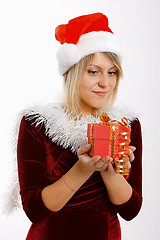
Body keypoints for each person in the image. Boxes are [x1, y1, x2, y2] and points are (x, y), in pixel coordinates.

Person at [16, 12, 142, 240]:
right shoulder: (37, 123)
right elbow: (33, 210)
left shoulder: (125, 125)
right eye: (93, 71)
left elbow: (130, 210)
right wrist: (83, 169)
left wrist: (110, 170)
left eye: (112, 72)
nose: (105, 83)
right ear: (71, 72)